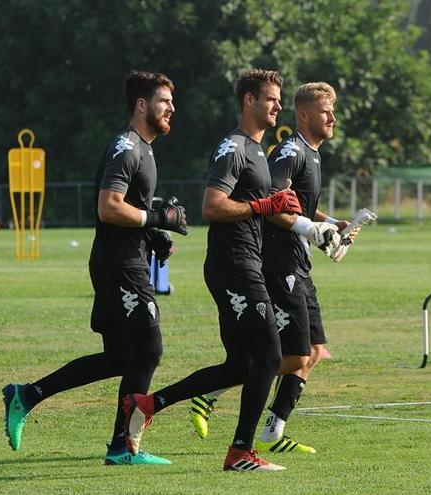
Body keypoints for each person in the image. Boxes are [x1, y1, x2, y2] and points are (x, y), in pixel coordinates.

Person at [121, 69, 304, 472]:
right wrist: (263, 206)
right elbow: (211, 206)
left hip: (246, 263)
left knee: (242, 365)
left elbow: (261, 207)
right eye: (271, 98)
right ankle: (240, 452)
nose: (277, 105)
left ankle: (150, 403)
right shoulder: (232, 147)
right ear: (249, 101)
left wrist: (291, 212)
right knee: (271, 355)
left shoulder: (258, 150)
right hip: (233, 266)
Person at [2, 71, 188, 466]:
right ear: (141, 104)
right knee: (149, 349)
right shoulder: (127, 146)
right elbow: (109, 206)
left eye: (172, 101)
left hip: (121, 259)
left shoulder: (145, 148)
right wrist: (156, 220)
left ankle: (28, 394)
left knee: (122, 357)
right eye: (163, 101)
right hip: (119, 267)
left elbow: (125, 211)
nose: (172, 107)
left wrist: (153, 235)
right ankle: (122, 447)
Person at [189, 82, 358, 455]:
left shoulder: (312, 154)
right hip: (279, 264)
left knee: (315, 351)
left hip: (299, 262)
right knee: (292, 355)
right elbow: (273, 203)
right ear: (304, 115)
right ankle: (212, 392)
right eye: (325, 110)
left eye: (332, 110)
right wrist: (310, 229)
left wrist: (333, 223)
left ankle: (273, 429)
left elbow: (299, 205)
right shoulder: (290, 152)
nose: (332, 117)